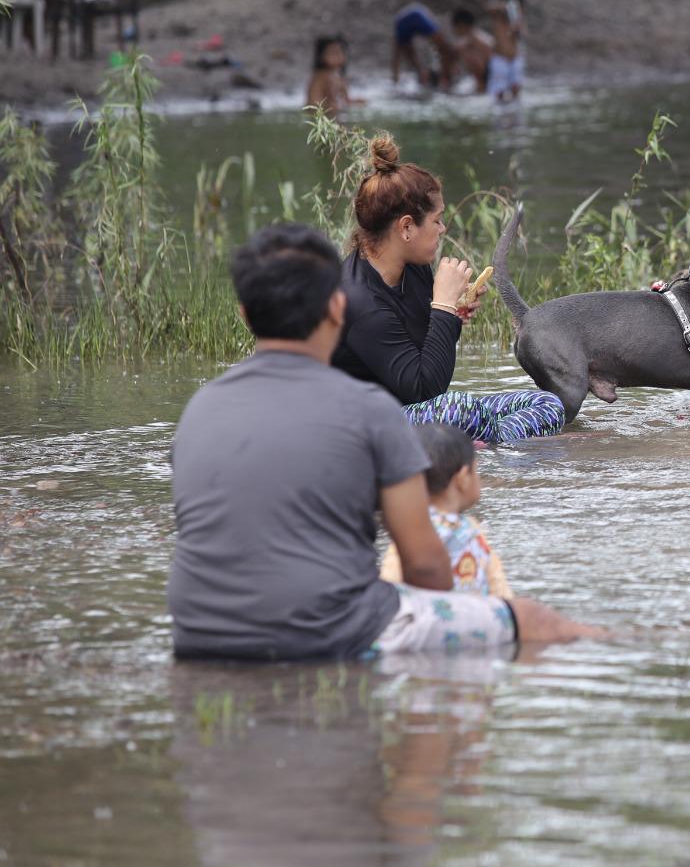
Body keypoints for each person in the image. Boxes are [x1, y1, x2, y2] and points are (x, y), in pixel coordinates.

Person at [167, 222, 603, 661]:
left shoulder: (198, 411)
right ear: (338, 307)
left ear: (244, 314)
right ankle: (644, 644)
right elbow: (426, 565)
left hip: (197, 637)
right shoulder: (368, 411)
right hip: (327, 634)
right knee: (535, 622)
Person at [331, 132, 566, 442]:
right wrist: (442, 307)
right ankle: (492, 445)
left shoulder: (413, 268)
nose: (443, 229)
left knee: (547, 404)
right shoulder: (358, 299)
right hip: (369, 427)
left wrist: (453, 313)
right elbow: (426, 388)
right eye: (437, 220)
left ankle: (486, 443)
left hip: (419, 411)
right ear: (406, 227)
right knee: (461, 410)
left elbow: (428, 353)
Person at [379, 424, 512, 597]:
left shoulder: (410, 534)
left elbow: (390, 586)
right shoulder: (473, 532)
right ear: (463, 478)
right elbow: (499, 589)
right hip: (475, 617)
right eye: (476, 471)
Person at [391, 2, 457, 89]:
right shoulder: (423, 19)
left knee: (406, 51)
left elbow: (397, 53)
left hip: (405, 19)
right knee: (441, 46)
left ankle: (424, 75)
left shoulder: (404, 24)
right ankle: (444, 74)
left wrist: (395, 76)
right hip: (414, 16)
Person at [304, 35, 365, 117]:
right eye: (333, 53)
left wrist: (355, 102)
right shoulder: (323, 76)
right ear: (322, 56)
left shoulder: (338, 76)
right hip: (320, 114)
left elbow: (345, 99)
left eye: (341, 52)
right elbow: (316, 103)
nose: (338, 56)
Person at [485, 0, 523, 103]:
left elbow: (519, 36)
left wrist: (515, 16)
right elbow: (489, 7)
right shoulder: (497, 18)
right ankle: (500, 107)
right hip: (500, 59)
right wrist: (505, 6)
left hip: (514, 59)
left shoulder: (516, 20)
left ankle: (514, 108)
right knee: (499, 89)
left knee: (516, 87)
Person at [448, 8, 494, 94]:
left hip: (491, 77)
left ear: (462, 25)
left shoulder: (481, 40)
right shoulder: (465, 41)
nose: (454, 30)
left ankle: (482, 86)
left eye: (455, 27)